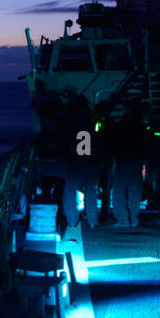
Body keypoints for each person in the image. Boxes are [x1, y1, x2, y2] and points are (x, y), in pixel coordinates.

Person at [59, 91, 99, 230]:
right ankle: (93, 219)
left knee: (70, 190)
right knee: (90, 190)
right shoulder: (90, 122)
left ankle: (72, 220)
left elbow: (65, 142)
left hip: (74, 159)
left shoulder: (69, 122)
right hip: (89, 159)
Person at [105, 103, 145, 226]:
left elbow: (112, 144)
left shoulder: (119, 127)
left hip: (122, 162)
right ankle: (134, 219)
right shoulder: (141, 127)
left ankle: (123, 219)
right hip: (136, 162)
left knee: (119, 192)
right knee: (135, 192)